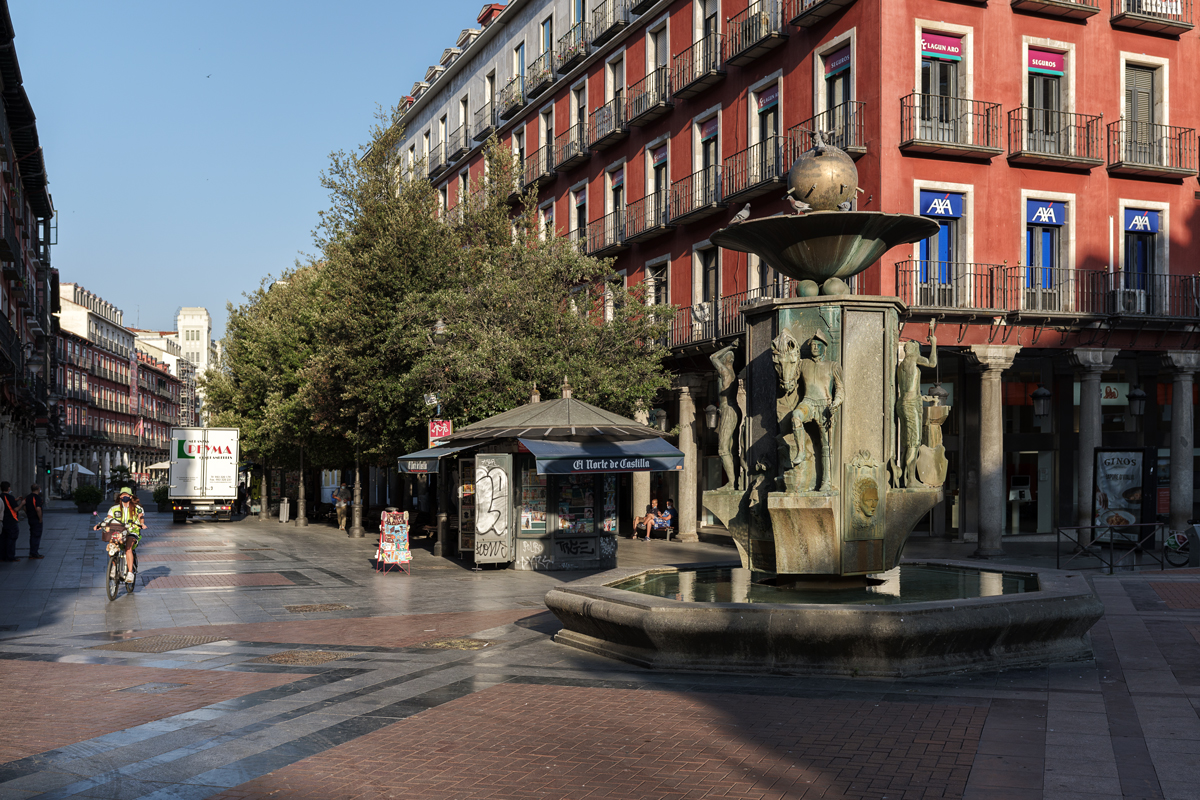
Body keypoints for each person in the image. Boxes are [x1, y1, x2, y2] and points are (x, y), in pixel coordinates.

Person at [93, 487, 146, 583]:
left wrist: (141, 524)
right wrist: (100, 525)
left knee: (128, 548)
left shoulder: (137, 508)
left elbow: (141, 517)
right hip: (118, 532)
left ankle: (130, 573)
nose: (124, 497)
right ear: (120, 496)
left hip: (132, 531)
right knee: (111, 546)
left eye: (126, 495)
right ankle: (113, 566)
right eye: (122, 495)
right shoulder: (114, 508)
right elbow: (108, 519)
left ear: (130, 496)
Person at [0, 482, 23, 562]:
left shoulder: (1, 497)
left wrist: (15, 500)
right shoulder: (9, 497)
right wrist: (22, 504)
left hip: (3, 521)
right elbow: (15, 509)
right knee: (11, 539)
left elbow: (6, 504)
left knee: (3, 539)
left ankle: (2, 556)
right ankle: (10, 556)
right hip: (11, 520)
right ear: (8, 488)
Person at [25, 483, 43, 559]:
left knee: (32, 535)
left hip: (30, 518)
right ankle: (34, 553)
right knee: (36, 536)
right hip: (36, 519)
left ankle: (32, 552)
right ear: (38, 489)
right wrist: (40, 518)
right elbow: (38, 509)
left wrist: (29, 514)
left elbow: (24, 508)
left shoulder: (28, 497)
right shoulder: (37, 498)